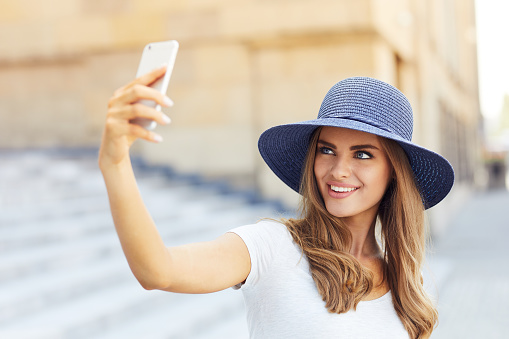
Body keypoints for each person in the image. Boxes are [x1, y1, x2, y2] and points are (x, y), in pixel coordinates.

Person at [99, 66, 454, 339]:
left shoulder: (408, 279)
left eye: (362, 154)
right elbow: (158, 270)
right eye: (326, 150)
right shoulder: (273, 247)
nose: (338, 170)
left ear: (394, 173)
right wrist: (115, 164)